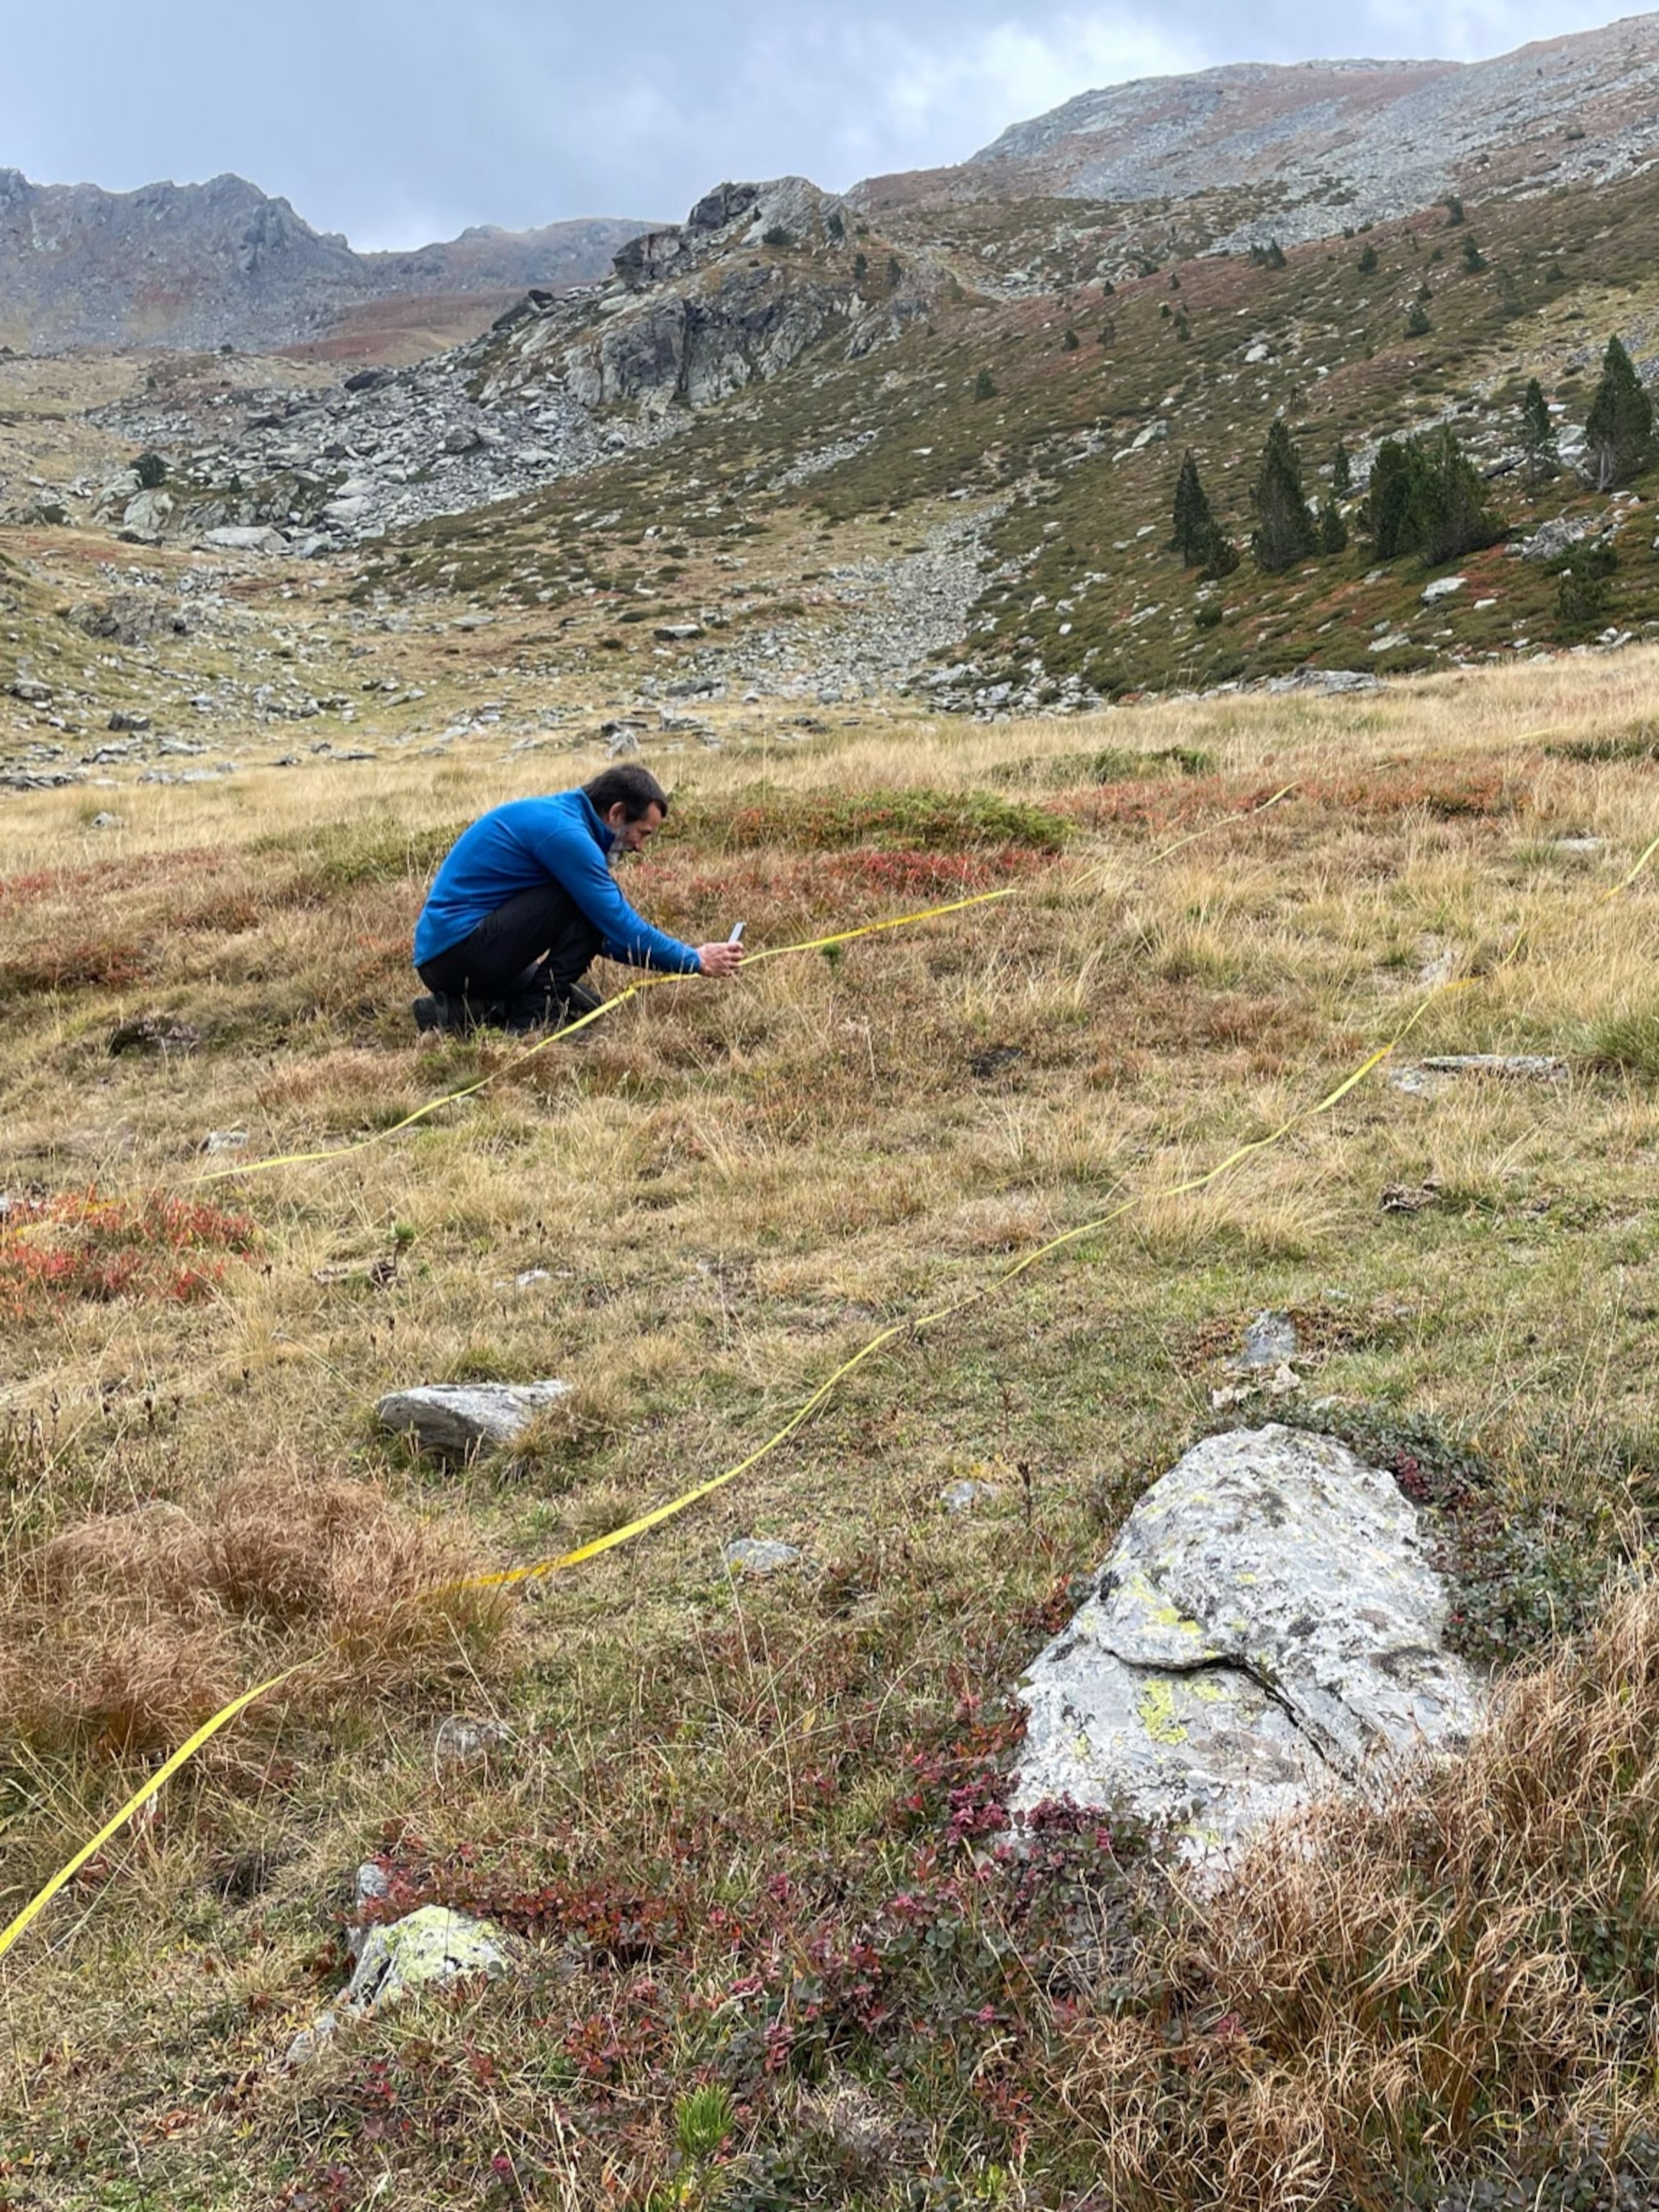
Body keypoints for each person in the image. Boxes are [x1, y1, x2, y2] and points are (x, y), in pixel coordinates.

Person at [410, 764, 743, 1035]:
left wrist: (676, 956)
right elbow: (617, 925)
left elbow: (601, 934)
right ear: (616, 813)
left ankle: (450, 1014)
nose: (640, 847)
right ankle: (531, 1023)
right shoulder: (567, 835)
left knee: (584, 1004)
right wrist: (694, 960)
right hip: (459, 953)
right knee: (573, 910)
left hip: (449, 957)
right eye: (642, 833)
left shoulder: (565, 819)